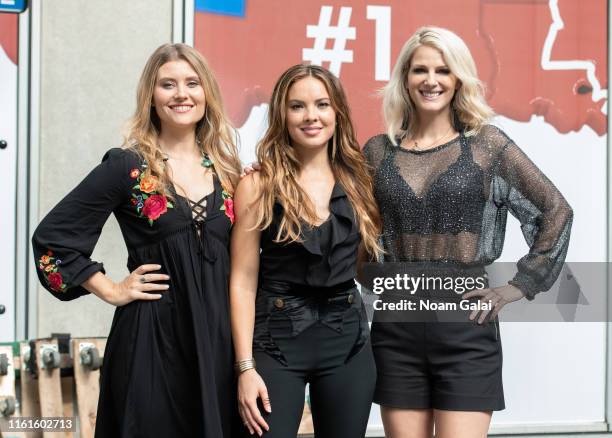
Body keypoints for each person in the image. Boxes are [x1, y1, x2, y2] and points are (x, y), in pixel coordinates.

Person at [364, 27, 573, 438]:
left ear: (458, 78)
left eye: (443, 70)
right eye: (420, 69)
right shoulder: (376, 151)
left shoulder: (487, 145)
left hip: (465, 328)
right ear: (404, 78)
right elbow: (341, 213)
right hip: (396, 329)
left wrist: (517, 286)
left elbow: (555, 209)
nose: (431, 80)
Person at [32, 43, 242, 438]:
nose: (182, 94)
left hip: (218, 343)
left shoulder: (230, 173)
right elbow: (53, 238)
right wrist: (110, 289)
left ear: (207, 93)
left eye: (192, 83)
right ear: (151, 96)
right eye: (168, 85)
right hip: (152, 341)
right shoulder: (128, 167)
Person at [229, 64, 381, 438]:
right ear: (282, 114)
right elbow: (243, 281)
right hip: (275, 344)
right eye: (298, 106)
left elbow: (363, 263)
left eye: (322, 105)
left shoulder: (361, 179)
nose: (311, 116)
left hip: (347, 344)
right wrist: (245, 368)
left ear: (337, 113)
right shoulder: (258, 184)